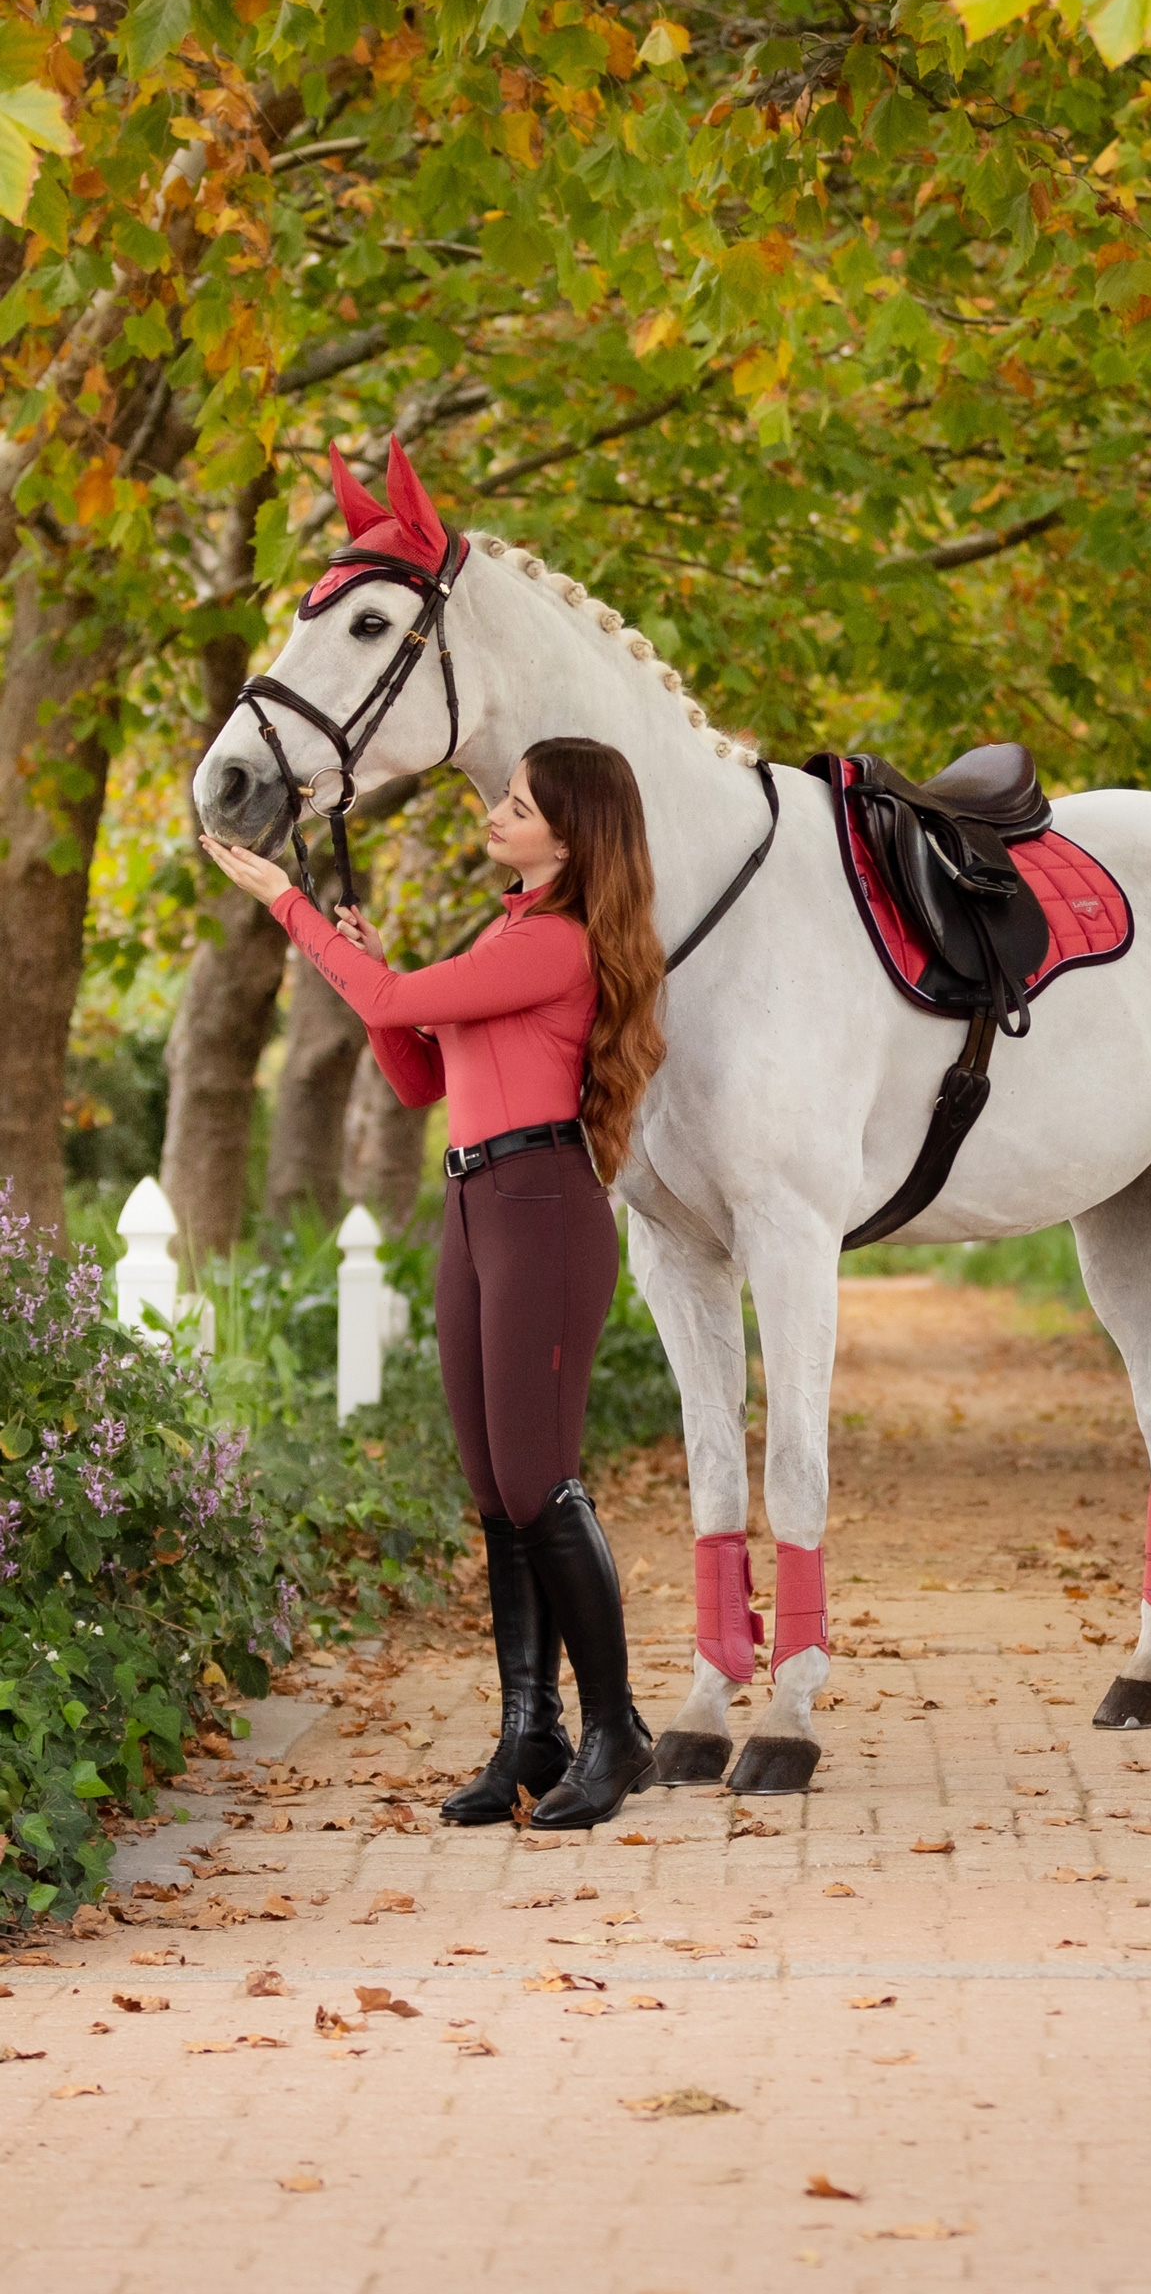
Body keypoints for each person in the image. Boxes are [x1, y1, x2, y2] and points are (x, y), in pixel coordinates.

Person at [202, 737, 667, 1830]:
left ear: (570, 833)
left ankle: (615, 1732)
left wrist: (293, 906)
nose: (496, 814)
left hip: (543, 1211)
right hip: (473, 1210)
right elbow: (418, 1071)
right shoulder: (506, 930)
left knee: (542, 1482)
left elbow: (402, 996)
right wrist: (376, 979)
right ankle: (530, 1730)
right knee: (498, 1492)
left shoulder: (555, 941)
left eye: (517, 805)